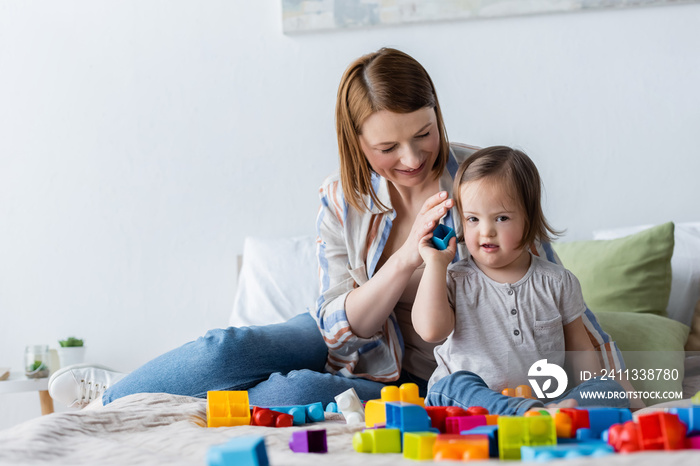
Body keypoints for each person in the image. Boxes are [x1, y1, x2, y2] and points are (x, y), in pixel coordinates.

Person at [48, 47, 626, 411]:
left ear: (437, 116)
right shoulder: (339, 198)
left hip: (423, 377)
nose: (411, 157)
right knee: (226, 347)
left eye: (423, 133)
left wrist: (608, 387)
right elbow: (338, 333)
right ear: (357, 143)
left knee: (291, 393)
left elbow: (546, 281)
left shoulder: (484, 181)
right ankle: (112, 397)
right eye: (387, 147)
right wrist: (408, 258)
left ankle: (190, 400)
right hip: (351, 337)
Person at [412, 146, 630, 414]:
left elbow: (581, 350)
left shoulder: (558, 281)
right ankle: (525, 413)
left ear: (529, 220)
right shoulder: (456, 278)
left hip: (548, 401)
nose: (486, 231)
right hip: (476, 406)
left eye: (501, 218)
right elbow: (430, 331)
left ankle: (547, 413)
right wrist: (435, 263)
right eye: (473, 219)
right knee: (446, 387)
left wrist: (594, 389)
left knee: (609, 389)